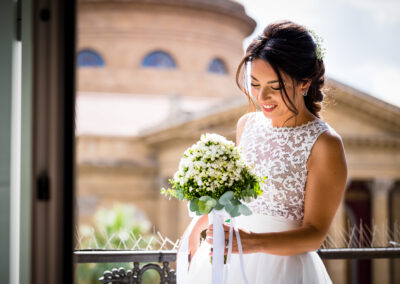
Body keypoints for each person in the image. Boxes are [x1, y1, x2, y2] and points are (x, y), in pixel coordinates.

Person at [186, 20, 348, 283]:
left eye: (274, 87)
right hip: (229, 260)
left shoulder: (325, 144)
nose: (262, 97)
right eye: (255, 83)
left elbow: (315, 234)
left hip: (284, 269)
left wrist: (252, 243)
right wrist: (200, 224)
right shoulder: (246, 125)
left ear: (304, 83)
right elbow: (236, 197)